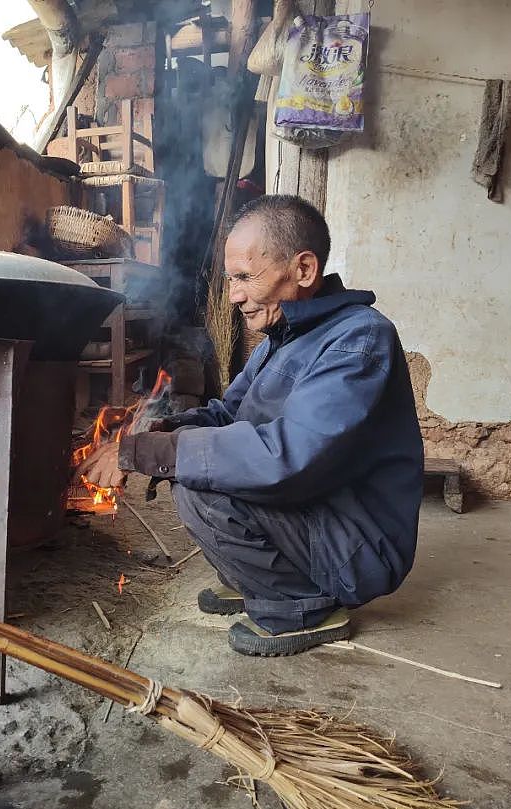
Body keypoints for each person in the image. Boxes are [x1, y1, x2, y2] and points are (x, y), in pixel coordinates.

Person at [78, 194, 424, 656]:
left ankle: (303, 606)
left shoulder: (359, 339)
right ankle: (260, 578)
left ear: (303, 270)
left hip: (358, 547)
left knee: (201, 488)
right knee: (200, 467)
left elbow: (289, 455)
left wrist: (149, 455)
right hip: (322, 518)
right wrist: (157, 432)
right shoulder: (278, 342)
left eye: (245, 277)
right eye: (230, 279)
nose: (235, 295)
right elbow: (227, 415)